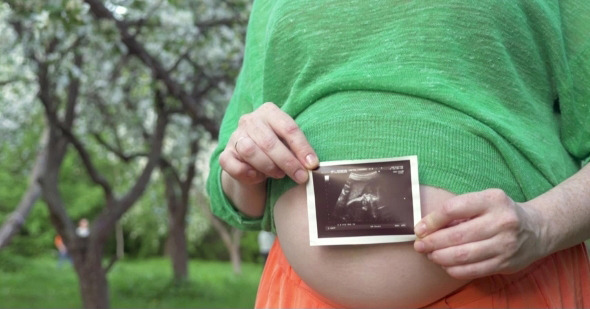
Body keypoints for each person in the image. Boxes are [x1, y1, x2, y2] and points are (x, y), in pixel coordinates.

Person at [207, 1, 590, 308]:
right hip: (296, 295)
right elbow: (230, 188)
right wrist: (244, 164)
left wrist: (541, 225)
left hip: (508, 290)